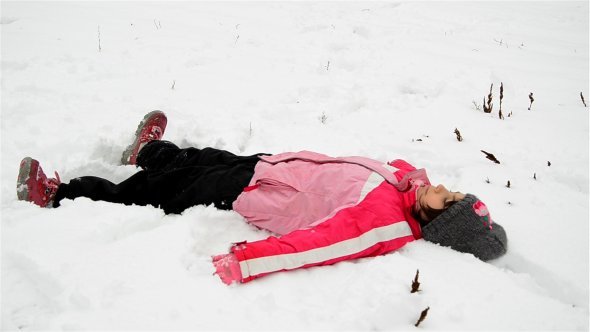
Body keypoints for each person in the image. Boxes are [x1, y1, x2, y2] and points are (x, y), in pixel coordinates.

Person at [16, 111, 508, 285]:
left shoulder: (383, 223)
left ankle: (61, 195)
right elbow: (401, 169)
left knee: (159, 192)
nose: (442, 187)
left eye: (447, 199)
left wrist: (248, 262)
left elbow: (320, 245)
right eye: (453, 188)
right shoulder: (405, 188)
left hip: (257, 195)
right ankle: (151, 151)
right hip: (272, 166)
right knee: (199, 156)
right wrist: (413, 180)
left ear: (436, 223)